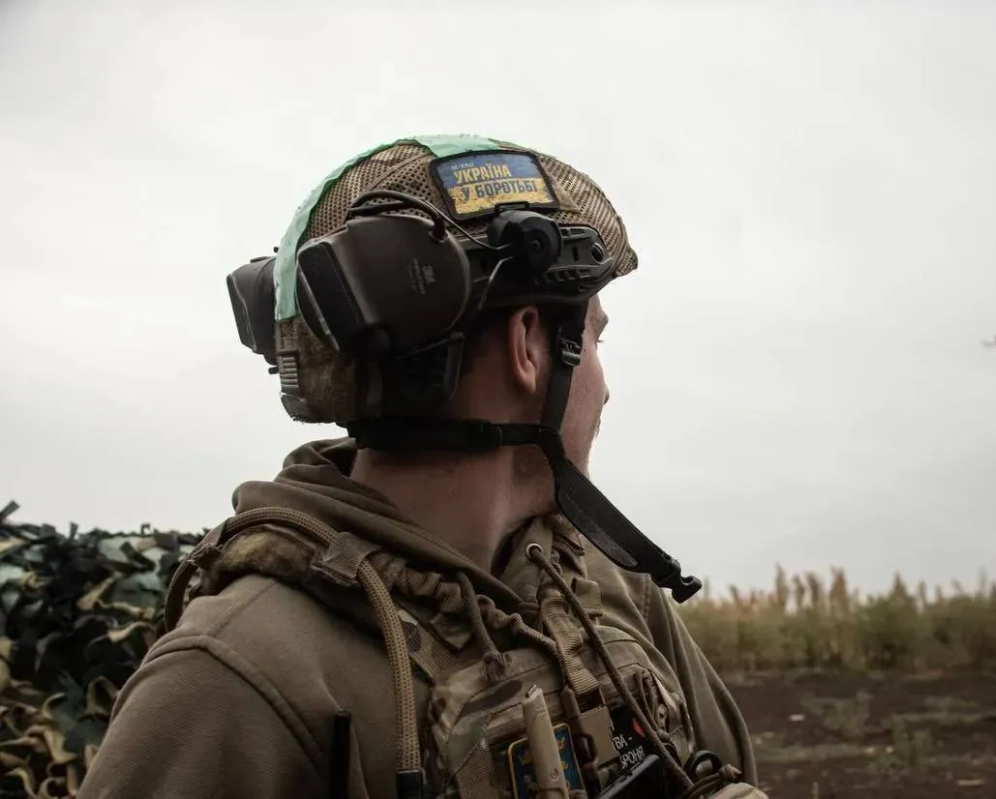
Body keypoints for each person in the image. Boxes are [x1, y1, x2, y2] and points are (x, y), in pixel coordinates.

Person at [78, 134, 764, 798]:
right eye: (594, 338)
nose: (605, 387)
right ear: (529, 345)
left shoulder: (604, 583)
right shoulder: (235, 678)